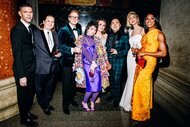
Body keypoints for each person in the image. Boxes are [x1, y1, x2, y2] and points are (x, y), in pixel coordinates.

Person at [131, 13, 167, 122]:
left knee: (139, 86)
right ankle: (146, 107)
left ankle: (141, 114)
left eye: (152, 18)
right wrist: (137, 50)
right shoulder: (146, 34)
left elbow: (164, 53)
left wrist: (145, 52)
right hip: (141, 62)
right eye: (147, 19)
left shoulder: (159, 34)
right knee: (144, 85)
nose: (149, 21)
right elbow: (143, 49)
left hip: (150, 63)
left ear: (155, 20)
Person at [10, 3, 38, 126]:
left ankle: (26, 112)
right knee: (23, 95)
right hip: (23, 69)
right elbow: (17, 54)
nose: (29, 14)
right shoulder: (17, 29)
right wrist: (21, 75)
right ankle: (23, 118)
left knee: (30, 94)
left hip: (32, 67)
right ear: (20, 13)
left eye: (30, 12)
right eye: (25, 12)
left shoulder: (32, 27)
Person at [33, 15, 61, 115]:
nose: (50, 23)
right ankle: (44, 105)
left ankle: (47, 102)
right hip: (40, 66)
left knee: (50, 88)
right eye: (48, 21)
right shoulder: (35, 33)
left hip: (52, 66)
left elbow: (56, 48)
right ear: (44, 21)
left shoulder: (55, 34)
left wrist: (58, 53)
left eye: (52, 22)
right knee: (39, 88)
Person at [58, 10, 82, 115]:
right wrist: (73, 50)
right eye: (73, 17)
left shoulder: (79, 29)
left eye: (77, 17)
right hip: (67, 62)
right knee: (66, 85)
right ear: (68, 18)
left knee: (74, 83)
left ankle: (71, 99)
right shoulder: (63, 30)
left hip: (77, 62)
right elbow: (60, 46)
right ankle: (65, 105)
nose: (75, 19)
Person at [74, 21, 101, 112]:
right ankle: (84, 102)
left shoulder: (96, 39)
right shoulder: (82, 38)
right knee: (90, 87)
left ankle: (92, 101)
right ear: (87, 28)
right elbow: (84, 52)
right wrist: (91, 62)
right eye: (92, 28)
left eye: (95, 29)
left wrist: (94, 63)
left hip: (95, 65)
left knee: (98, 88)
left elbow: (96, 52)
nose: (93, 31)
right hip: (86, 65)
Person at [119, 11, 144, 112]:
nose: (132, 19)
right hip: (130, 56)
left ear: (137, 18)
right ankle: (126, 101)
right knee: (130, 77)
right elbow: (130, 46)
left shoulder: (143, 30)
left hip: (138, 56)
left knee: (135, 78)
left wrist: (138, 50)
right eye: (130, 18)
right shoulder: (130, 32)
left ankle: (131, 103)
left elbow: (145, 45)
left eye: (134, 17)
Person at [106, 18, 130, 107]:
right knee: (111, 79)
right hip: (109, 61)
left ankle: (117, 99)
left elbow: (127, 50)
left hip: (119, 61)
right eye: (112, 23)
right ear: (110, 25)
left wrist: (118, 52)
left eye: (117, 23)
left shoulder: (124, 36)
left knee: (117, 80)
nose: (115, 24)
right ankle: (112, 94)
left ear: (120, 25)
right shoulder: (108, 35)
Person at [94, 19, 111, 103]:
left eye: (103, 25)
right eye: (100, 24)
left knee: (102, 77)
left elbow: (106, 50)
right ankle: (94, 95)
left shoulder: (106, 35)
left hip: (103, 59)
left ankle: (98, 94)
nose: (101, 27)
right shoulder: (92, 34)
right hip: (95, 59)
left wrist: (107, 61)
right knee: (95, 78)